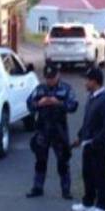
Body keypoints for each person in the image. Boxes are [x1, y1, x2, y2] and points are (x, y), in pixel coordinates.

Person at [25, 64, 79, 199]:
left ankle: (66, 190)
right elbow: (29, 104)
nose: (50, 80)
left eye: (52, 78)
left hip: (59, 130)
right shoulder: (40, 89)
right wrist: (39, 104)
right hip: (42, 129)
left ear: (58, 75)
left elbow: (73, 106)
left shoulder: (66, 89)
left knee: (63, 161)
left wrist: (58, 103)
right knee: (40, 161)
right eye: (47, 78)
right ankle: (37, 187)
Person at [71, 66, 105, 211]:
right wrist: (80, 137)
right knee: (87, 174)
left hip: (99, 145)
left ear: (95, 81)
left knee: (100, 175)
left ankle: (102, 206)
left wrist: (97, 140)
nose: (85, 83)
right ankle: (88, 202)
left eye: (87, 80)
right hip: (88, 143)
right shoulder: (92, 97)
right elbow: (88, 121)